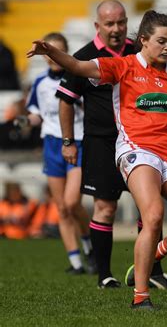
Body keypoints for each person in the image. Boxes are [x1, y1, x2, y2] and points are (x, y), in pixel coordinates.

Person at [28, 10, 167, 309]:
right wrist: (52, 51)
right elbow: (78, 66)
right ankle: (141, 297)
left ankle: (156, 253)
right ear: (143, 40)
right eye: (161, 41)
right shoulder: (123, 66)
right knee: (153, 214)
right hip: (137, 150)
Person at [55, 0, 167, 289]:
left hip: (142, 141)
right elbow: (66, 101)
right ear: (98, 26)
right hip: (101, 141)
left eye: (121, 22)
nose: (117, 29)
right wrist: (68, 141)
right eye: (109, 24)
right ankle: (105, 275)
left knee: (149, 208)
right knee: (105, 208)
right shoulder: (85, 56)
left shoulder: (140, 50)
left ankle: (152, 271)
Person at [21, 32, 95, 274]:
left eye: (57, 50)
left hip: (77, 142)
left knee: (73, 202)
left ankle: (89, 247)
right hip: (52, 145)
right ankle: (75, 262)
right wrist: (22, 122)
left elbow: (88, 107)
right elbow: (37, 114)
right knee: (61, 207)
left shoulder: (77, 77)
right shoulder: (40, 83)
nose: (52, 56)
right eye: (48, 51)